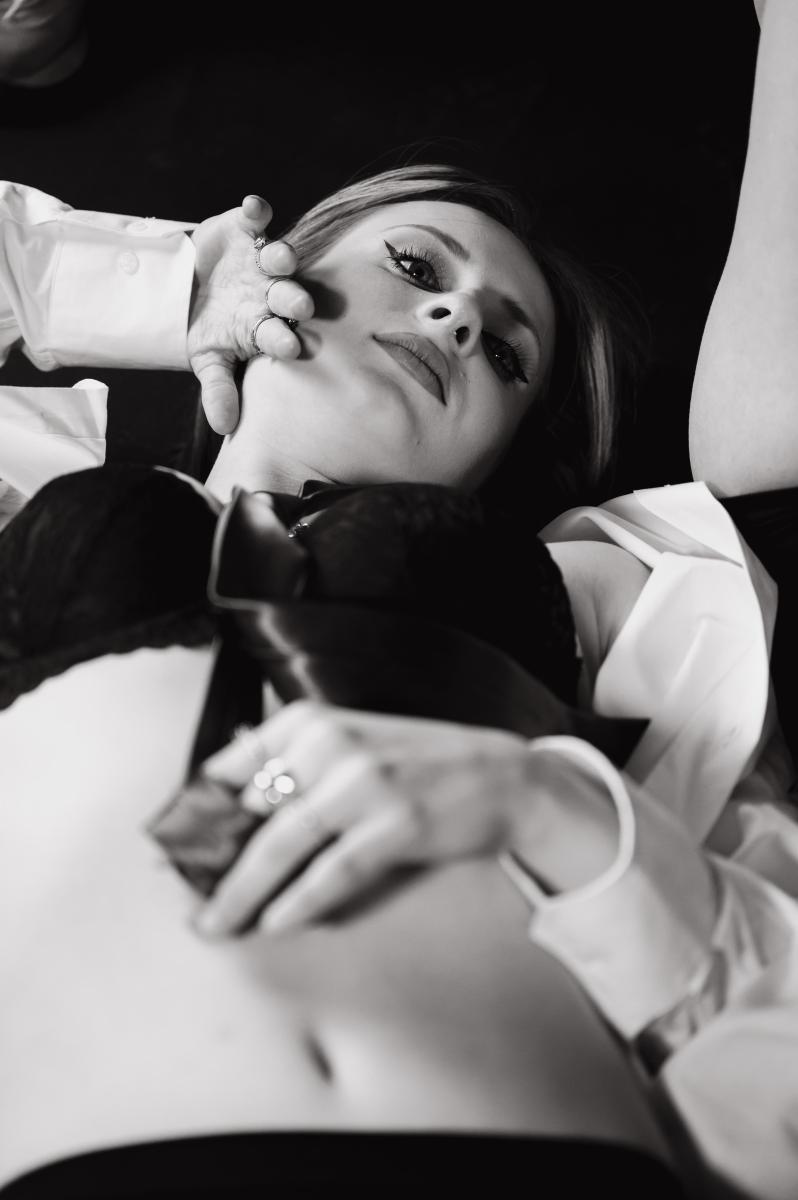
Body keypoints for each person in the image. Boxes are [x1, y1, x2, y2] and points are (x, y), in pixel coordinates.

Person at [0, 2, 797, 1195]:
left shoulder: (621, 600)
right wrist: (165, 289)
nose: (458, 317)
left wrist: (555, 810)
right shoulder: (21, 488)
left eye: (506, 356)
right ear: (282, 268)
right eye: (416, 268)